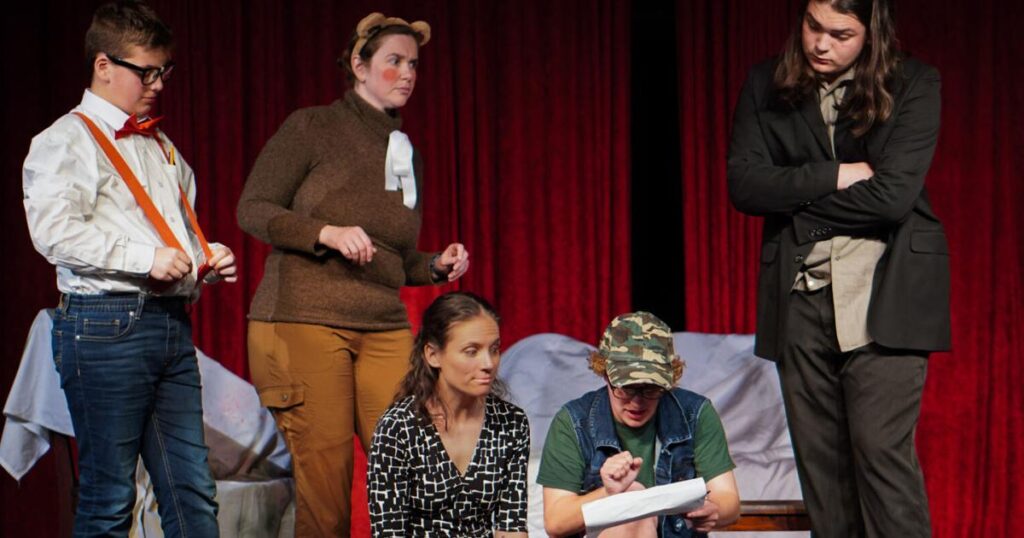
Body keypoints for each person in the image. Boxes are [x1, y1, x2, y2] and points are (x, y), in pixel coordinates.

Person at [236, 12, 470, 536]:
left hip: (382, 325)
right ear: (360, 67)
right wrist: (326, 232)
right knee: (328, 483)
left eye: (414, 64)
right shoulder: (312, 126)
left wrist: (435, 265)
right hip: (305, 318)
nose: (407, 73)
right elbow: (253, 208)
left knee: (413, 471)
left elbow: (393, 258)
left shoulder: (405, 152)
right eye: (394, 61)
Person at [726, 0, 947, 536]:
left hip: (883, 296)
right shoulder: (765, 84)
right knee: (823, 474)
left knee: (881, 458)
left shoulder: (914, 83)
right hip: (799, 297)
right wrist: (835, 175)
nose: (820, 44)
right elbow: (745, 185)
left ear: (871, 33)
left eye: (840, 34)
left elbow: (892, 198)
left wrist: (796, 207)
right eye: (813, 26)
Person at [22, 1, 237, 535]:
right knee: (110, 496)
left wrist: (204, 258)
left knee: (193, 492)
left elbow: (173, 238)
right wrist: (146, 259)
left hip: (169, 325)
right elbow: (55, 232)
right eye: (147, 72)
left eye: (165, 71)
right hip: (104, 326)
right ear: (103, 65)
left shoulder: (161, 146)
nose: (159, 84)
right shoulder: (63, 141)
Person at [538, 312, 740, 537]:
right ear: (605, 375)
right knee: (630, 496)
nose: (637, 401)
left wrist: (713, 510)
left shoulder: (695, 413)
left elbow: (728, 499)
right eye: (626, 388)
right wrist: (609, 493)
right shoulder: (574, 421)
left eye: (650, 389)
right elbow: (556, 522)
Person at [367, 292, 529, 537]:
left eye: (494, 349)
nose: (488, 363)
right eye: (471, 351)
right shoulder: (398, 427)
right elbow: (388, 532)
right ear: (433, 355)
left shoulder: (511, 422)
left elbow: (512, 526)